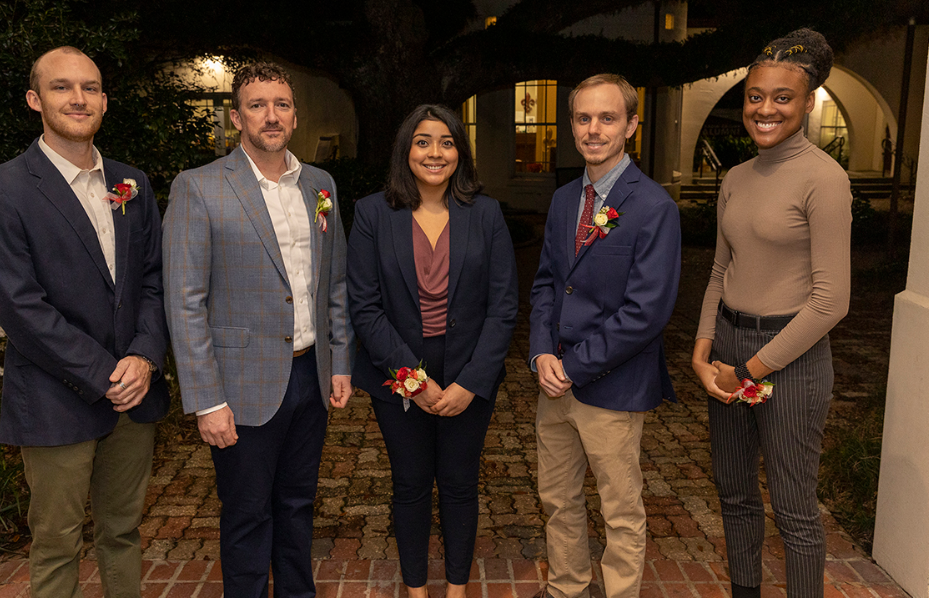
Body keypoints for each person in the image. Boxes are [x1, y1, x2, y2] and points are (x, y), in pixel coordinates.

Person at [0, 46, 170, 598]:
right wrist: (109, 372)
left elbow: (154, 281)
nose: (78, 98)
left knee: (123, 531)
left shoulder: (132, 184)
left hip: (134, 393)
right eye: (61, 87)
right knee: (56, 542)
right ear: (35, 100)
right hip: (57, 395)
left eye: (89, 87)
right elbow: (19, 306)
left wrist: (146, 357)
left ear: (104, 101)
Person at [163, 61, 354, 598]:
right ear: (236, 116)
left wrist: (340, 361)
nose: (271, 116)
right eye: (257, 105)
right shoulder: (199, 188)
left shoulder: (320, 185)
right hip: (240, 387)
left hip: (308, 377)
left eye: (282, 105)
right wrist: (206, 399)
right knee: (247, 515)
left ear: (295, 116)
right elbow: (184, 302)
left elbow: (332, 282)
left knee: (297, 505)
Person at [691, 29, 850, 598]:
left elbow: (832, 301)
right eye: (755, 95)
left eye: (782, 97)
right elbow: (718, 271)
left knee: (794, 510)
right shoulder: (735, 178)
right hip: (730, 349)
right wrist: (703, 350)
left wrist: (750, 370)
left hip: (793, 358)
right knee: (733, 496)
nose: (765, 108)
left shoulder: (824, 179)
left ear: (808, 102)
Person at [347, 105, 518, 598]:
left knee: (461, 484)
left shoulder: (485, 213)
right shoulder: (373, 213)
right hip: (397, 369)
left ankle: (458, 589)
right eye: (423, 141)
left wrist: (470, 382)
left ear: (459, 151)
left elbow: (503, 305)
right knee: (411, 484)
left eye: (446, 142)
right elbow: (364, 306)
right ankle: (417, 590)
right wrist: (413, 381)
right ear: (406, 150)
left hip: (469, 371)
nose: (435, 152)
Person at [529, 74, 681, 598]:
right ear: (572, 125)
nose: (594, 129)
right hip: (555, 382)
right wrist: (542, 352)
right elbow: (548, 281)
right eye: (583, 118)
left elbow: (646, 312)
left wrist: (575, 365)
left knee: (620, 509)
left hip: (612, 385)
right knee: (557, 498)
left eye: (607, 118)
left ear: (631, 125)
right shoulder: (565, 197)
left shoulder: (654, 207)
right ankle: (567, 587)